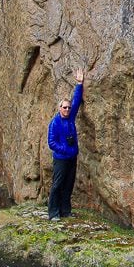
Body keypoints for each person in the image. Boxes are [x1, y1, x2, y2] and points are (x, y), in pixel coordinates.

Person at [47, 67, 84, 220]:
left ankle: (66, 211)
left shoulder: (70, 117)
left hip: (71, 158)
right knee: (57, 185)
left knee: (69, 185)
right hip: (61, 158)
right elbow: (51, 142)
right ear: (59, 108)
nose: (67, 109)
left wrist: (79, 84)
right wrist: (65, 150)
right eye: (64, 107)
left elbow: (76, 101)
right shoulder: (55, 123)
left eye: (68, 108)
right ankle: (53, 213)